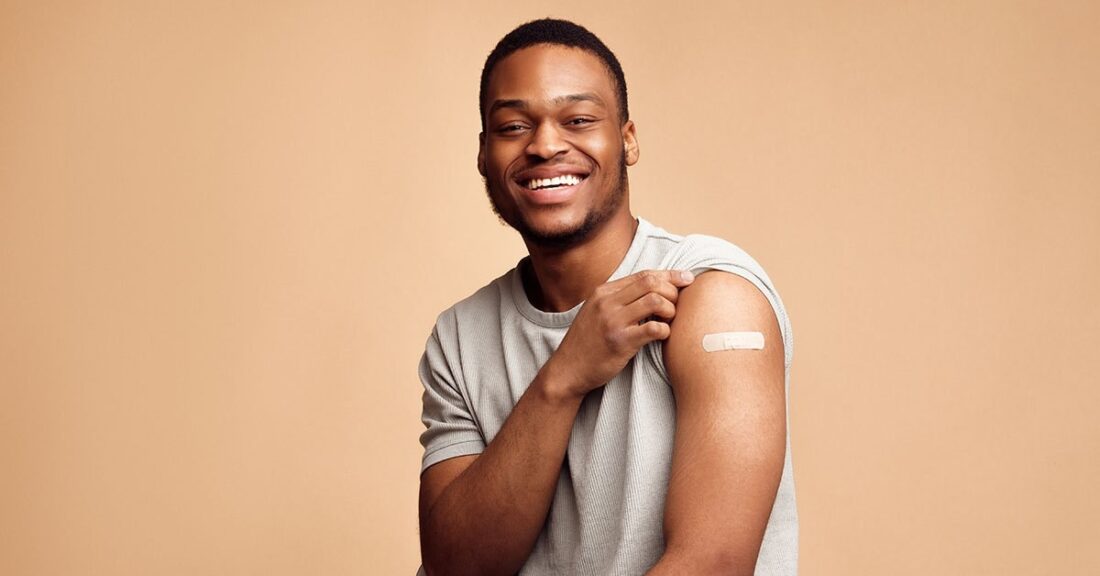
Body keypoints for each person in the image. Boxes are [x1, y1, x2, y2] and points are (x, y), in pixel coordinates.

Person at [416, 18, 797, 576]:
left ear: (627, 139)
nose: (545, 145)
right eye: (514, 126)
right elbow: (456, 566)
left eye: (578, 120)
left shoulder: (713, 296)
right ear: (483, 154)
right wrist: (563, 376)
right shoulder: (458, 338)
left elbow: (712, 563)